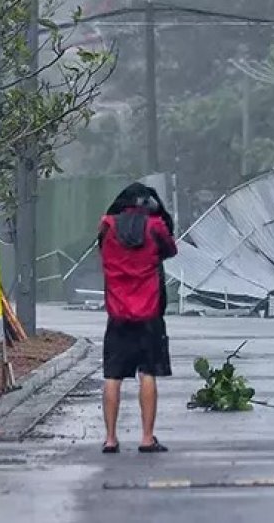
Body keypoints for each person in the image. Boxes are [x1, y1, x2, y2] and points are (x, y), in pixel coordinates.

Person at [98, 182, 177, 454]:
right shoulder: (154, 226)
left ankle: (110, 438)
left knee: (112, 375)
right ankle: (146, 437)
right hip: (149, 313)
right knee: (147, 372)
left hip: (117, 313)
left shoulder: (107, 225)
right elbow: (170, 249)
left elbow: (101, 250)